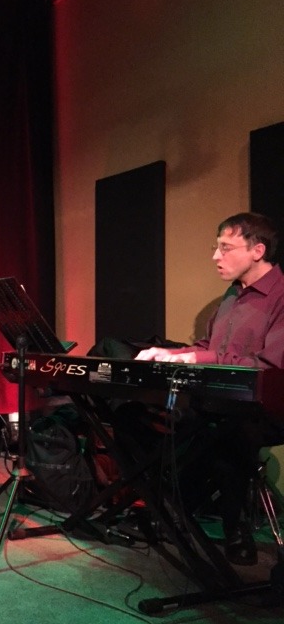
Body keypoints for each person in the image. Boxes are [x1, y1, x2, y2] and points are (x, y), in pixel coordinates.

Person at [135, 211, 284, 565]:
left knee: (229, 432)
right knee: (137, 416)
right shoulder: (231, 297)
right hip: (223, 403)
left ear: (258, 250)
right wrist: (168, 354)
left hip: (269, 409)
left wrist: (196, 359)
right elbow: (207, 347)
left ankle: (235, 528)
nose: (216, 256)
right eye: (216, 247)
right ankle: (164, 507)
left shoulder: (280, 296)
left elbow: (270, 367)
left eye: (226, 248)